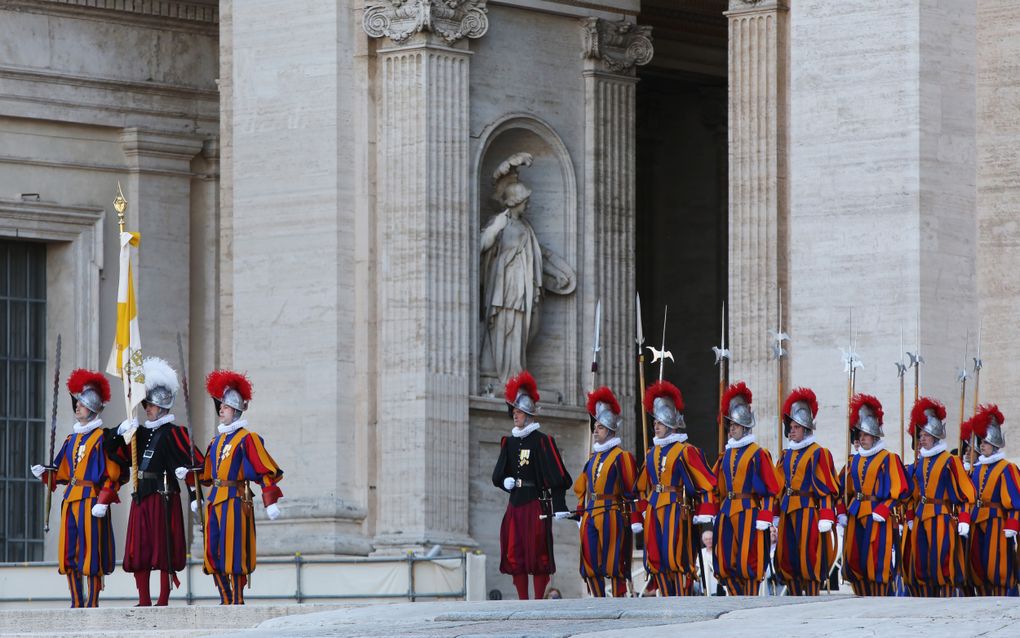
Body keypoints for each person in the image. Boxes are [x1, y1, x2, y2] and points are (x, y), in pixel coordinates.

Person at [188, 370, 284, 605]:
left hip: (235, 499)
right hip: (214, 501)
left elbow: (264, 469)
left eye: (226, 407)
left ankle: (237, 599)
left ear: (237, 410)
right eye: (220, 406)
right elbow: (208, 474)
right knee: (213, 551)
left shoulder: (247, 438)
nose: (221, 409)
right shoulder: (215, 441)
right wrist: (190, 475)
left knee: (235, 551)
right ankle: (225, 596)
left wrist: (270, 501)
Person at [114, 357, 203, 606]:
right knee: (138, 549)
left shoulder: (175, 433)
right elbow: (116, 455)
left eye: (150, 405)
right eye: (146, 404)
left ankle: (163, 599)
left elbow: (195, 464)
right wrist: (121, 433)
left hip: (163, 497)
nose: (147, 409)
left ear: (162, 406)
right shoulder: (139, 433)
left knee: (162, 549)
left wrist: (194, 494)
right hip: (141, 494)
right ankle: (143, 599)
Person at [31, 369, 123, 608]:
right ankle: (75, 601)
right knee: (69, 553)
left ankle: (91, 602)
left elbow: (113, 474)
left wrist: (103, 500)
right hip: (71, 499)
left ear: (92, 408)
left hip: (91, 501)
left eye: (81, 404)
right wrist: (46, 473)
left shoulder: (103, 438)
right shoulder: (71, 440)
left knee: (91, 554)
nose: (77, 408)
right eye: (77, 404)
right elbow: (61, 472)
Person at [492, 371, 572, 600]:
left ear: (528, 414)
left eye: (518, 412)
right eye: (514, 412)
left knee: (538, 554)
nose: (514, 416)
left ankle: (539, 600)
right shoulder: (508, 442)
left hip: (535, 504)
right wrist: (504, 482)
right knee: (515, 553)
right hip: (515, 503)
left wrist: (558, 505)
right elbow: (498, 474)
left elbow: (558, 476)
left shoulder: (542, 441)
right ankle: (522, 600)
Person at [637, 381, 717, 596]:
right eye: (655, 422)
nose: (656, 426)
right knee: (656, 556)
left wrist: (704, 512)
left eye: (660, 422)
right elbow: (642, 486)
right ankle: (664, 594)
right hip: (655, 508)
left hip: (676, 507)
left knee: (676, 556)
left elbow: (706, 482)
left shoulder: (686, 451)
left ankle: (681, 597)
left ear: (672, 423)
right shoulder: (650, 453)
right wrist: (642, 510)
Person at [712, 382, 779, 596]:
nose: (731, 428)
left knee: (748, 559)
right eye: (730, 424)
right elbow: (716, 485)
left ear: (746, 427)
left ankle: (749, 598)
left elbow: (770, 488)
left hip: (749, 512)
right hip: (727, 510)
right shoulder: (725, 454)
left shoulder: (758, 453)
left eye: (735, 425)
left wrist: (766, 515)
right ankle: (734, 597)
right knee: (725, 560)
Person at [904, 397, 976, 597]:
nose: (922, 438)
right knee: (921, 561)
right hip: (920, 516)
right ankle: (925, 597)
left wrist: (963, 518)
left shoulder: (950, 461)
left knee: (941, 559)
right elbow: (912, 493)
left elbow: (964, 492)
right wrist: (910, 515)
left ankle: (944, 596)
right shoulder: (919, 462)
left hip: (940, 515)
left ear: (935, 436)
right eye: (921, 435)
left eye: (926, 435)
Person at [838, 393, 908, 596]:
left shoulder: (888, 458)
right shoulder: (853, 460)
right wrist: (842, 511)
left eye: (866, 435)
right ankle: (861, 594)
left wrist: (884, 508)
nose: (862, 438)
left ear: (876, 436)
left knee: (876, 558)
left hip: (878, 514)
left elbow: (900, 490)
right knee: (856, 558)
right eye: (860, 435)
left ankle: (880, 596)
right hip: (856, 513)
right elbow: (842, 490)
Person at [573, 386, 639, 597]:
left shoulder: (622, 456)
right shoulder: (592, 459)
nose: (595, 430)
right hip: (592, 512)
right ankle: (598, 599)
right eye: (595, 427)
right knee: (590, 560)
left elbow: (631, 490)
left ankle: (618, 598)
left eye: (600, 428)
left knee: (614, 560)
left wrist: (635, 516)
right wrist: (580, 512)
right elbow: (583, 488)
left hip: (612, 512)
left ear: (610, 431)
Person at [774, 388, 839, 595]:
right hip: (787, 511)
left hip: (808, 510)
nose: (791, 431)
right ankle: (792, 594)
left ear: (806, 428)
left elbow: (827, 488)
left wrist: (827, 515)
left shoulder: (818, 453)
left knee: (808, 556)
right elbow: (779, 487)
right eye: (790, 427)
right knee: (788, 556)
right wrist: (774, 515)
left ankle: (811, 594)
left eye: (795, 427)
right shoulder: (785, 455)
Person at [964, 404, 1020, 595]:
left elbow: (1015, 500)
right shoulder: (977, 469)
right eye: (981, 442)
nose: (981, 445)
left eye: (985, 442)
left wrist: (1013, 523)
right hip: (976, 520)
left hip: (997, 522)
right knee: (978, 564)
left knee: (998, 565)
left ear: (995, 443)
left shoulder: (1007, 468)